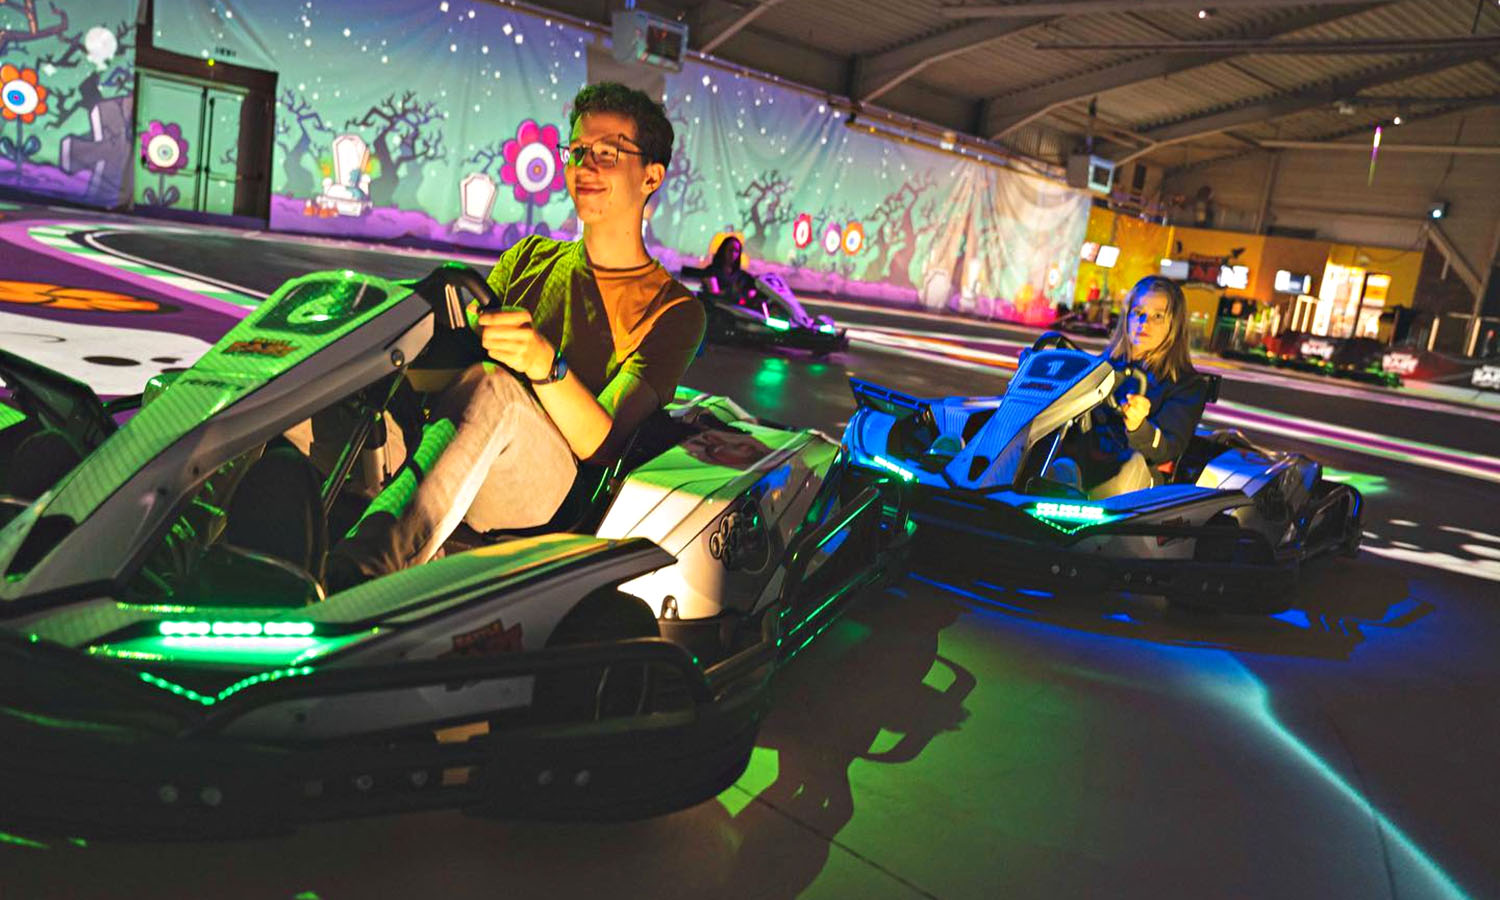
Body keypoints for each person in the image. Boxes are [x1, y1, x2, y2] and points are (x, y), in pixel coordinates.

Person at [326, 82, 706, 589]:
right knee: (343, 369)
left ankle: (360, 576)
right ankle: (246, 538)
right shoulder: (529, 256)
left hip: (556, 488)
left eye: (607, 154)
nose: (585, 166)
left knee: (496, 388)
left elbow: (604, 442)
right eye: (577, 151)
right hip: (464, 444)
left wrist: (545, 366)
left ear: (651, 176)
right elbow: (460, 339)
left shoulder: (674, 310)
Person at [1048, 275, 1209, 498]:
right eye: (1138, 312)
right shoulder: (1102, 367)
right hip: (1086, 462)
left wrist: (1138, 426)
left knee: (1129, 467)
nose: (1144, 322)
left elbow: (1167, 450)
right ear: (1127, 317)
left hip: (1140, 480)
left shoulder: (1187, 385)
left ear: (1174, 325)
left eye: (1158, 316)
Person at [684, 235, 757, 308]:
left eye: (736, 251)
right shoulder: (712, 271)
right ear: (723, 251)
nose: (733, 254)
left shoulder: (742, 276)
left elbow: (753, 289)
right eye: (730, 250)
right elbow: (715, 295)